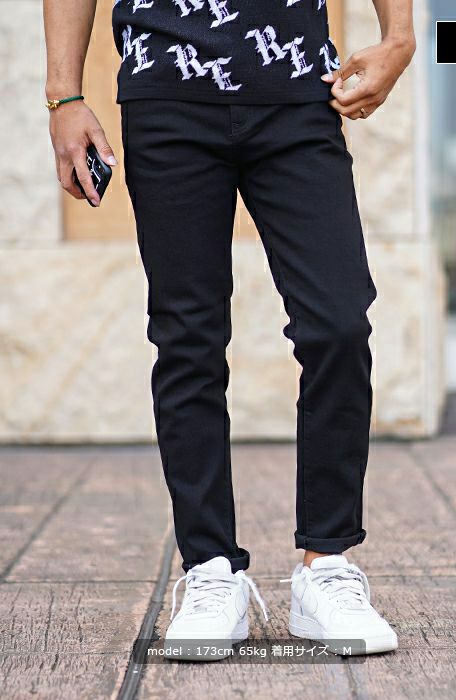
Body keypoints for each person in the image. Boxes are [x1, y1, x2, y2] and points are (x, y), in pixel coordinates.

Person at [44, 0, 415, 658]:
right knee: (187, 338)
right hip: (166, 91)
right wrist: (64, 96)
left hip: (298, 90)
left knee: (337, 323)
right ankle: (211, 570)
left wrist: (400, 37)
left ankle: (326, 566)